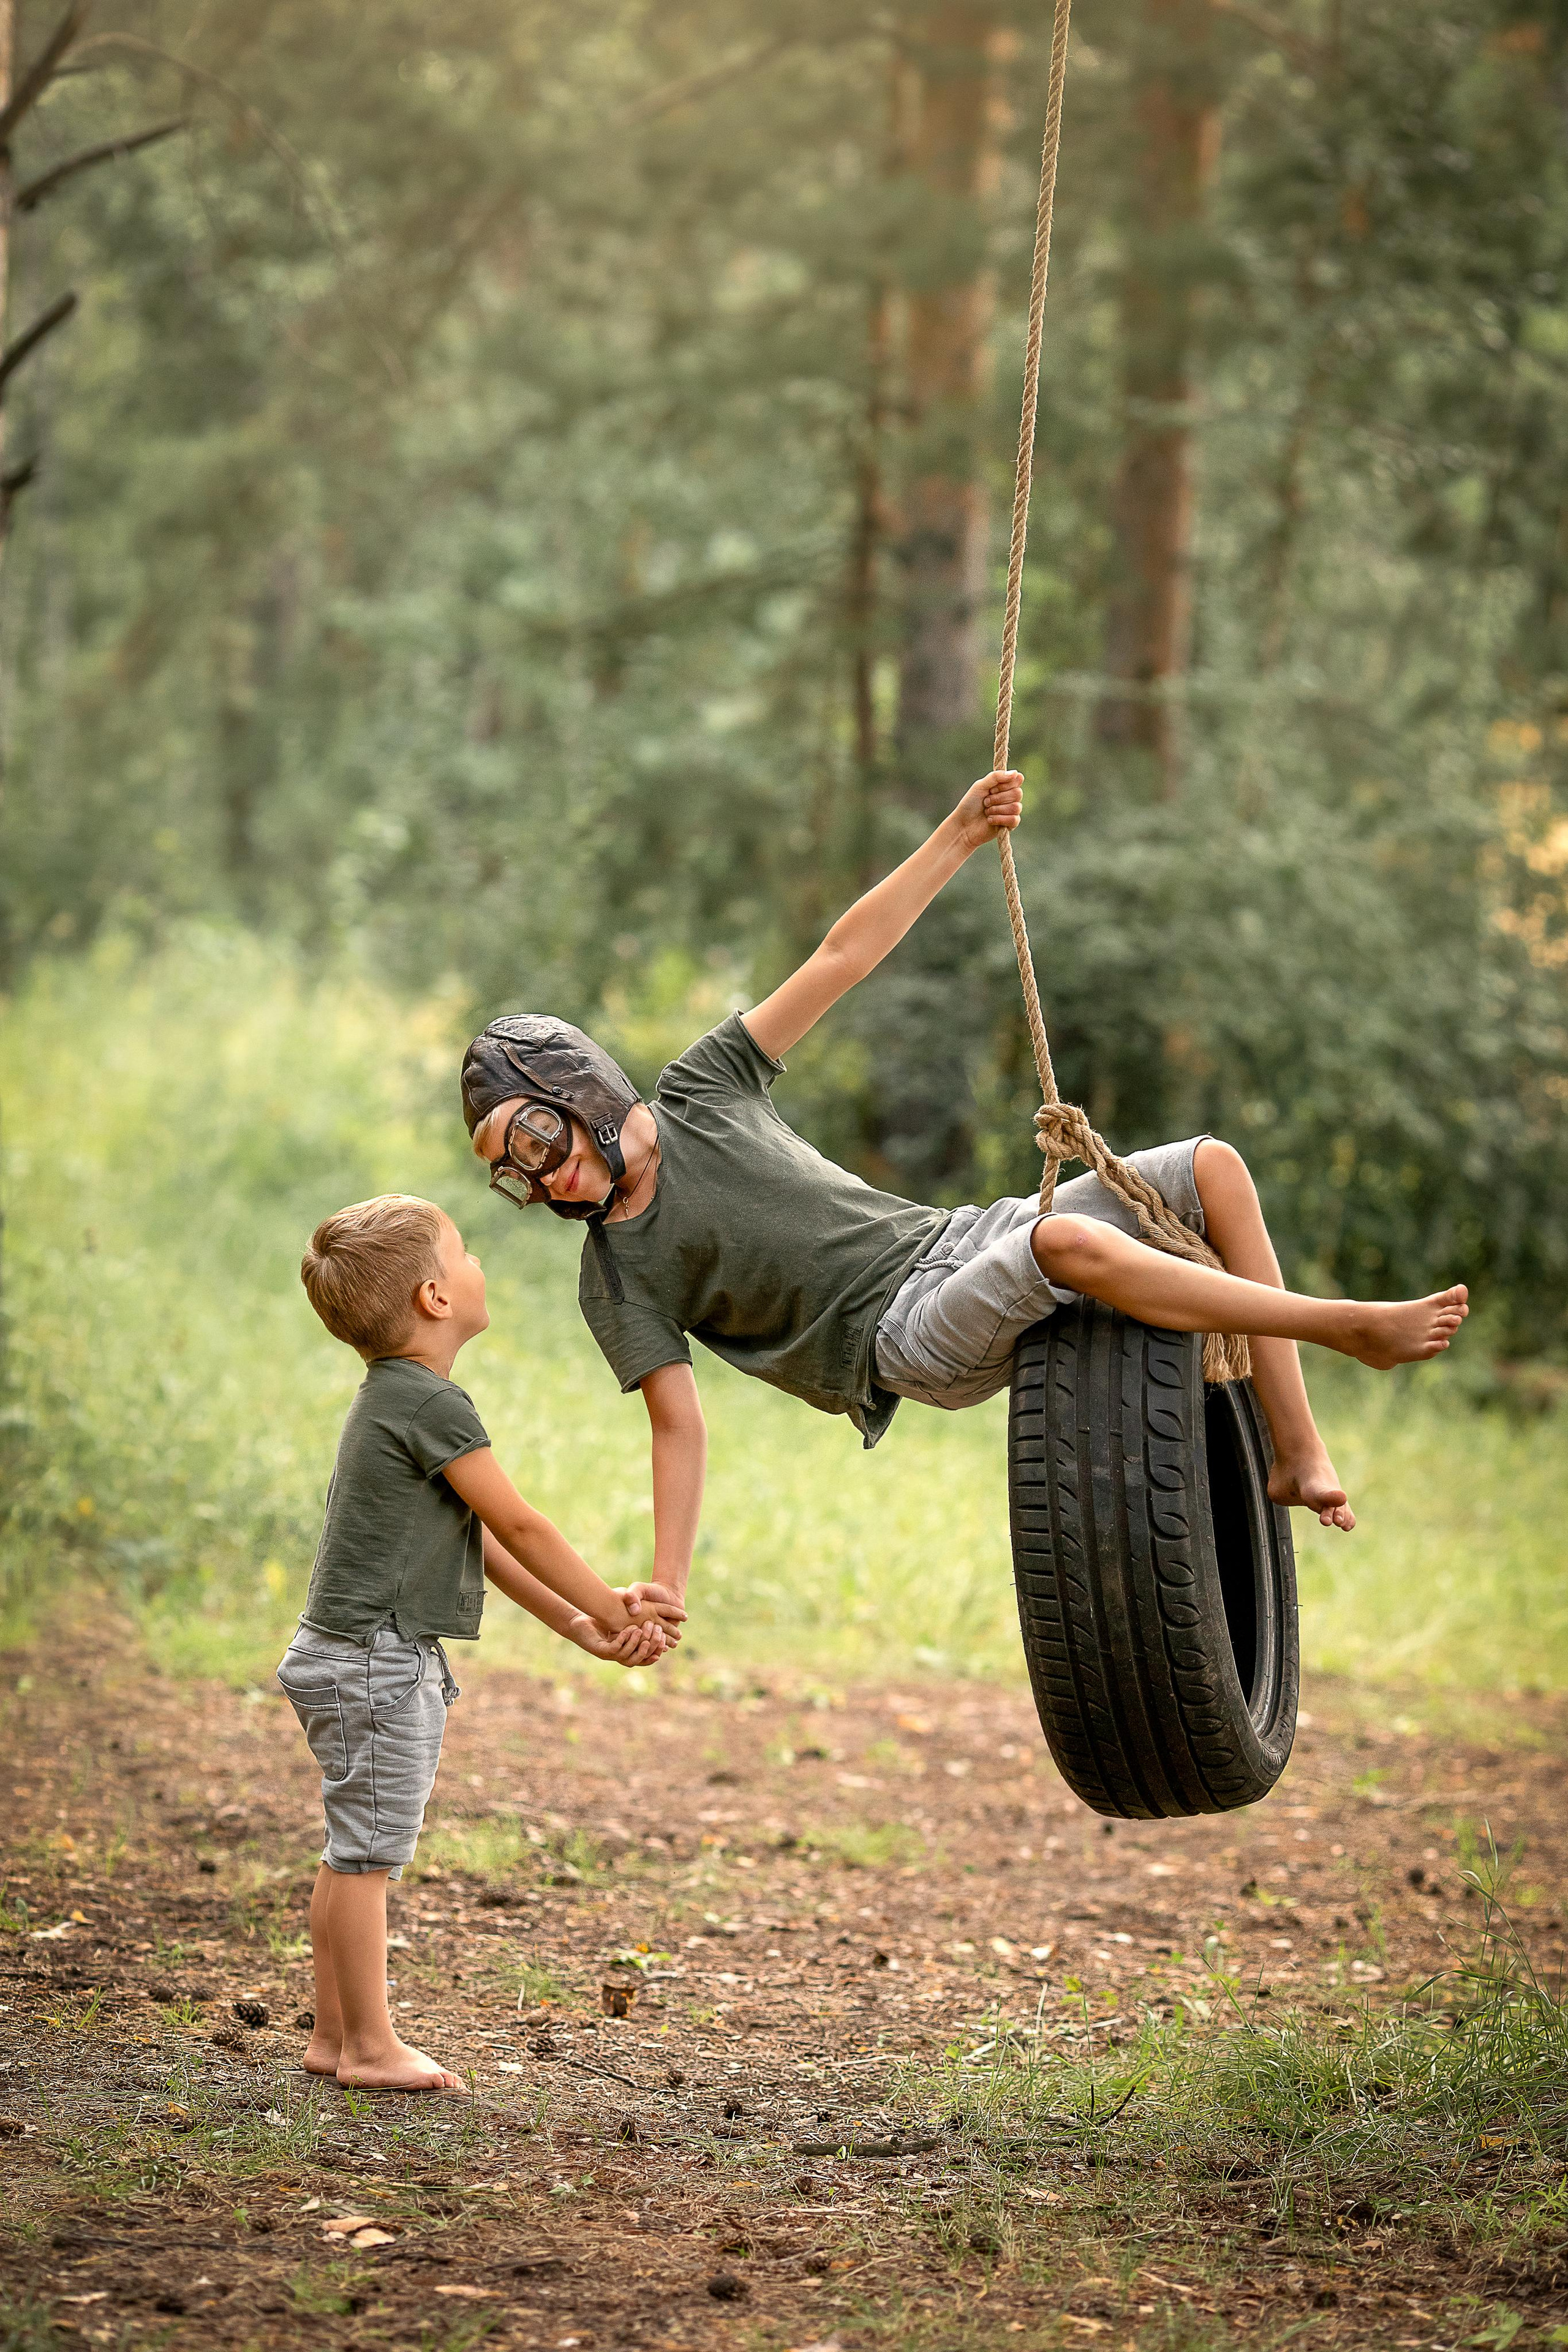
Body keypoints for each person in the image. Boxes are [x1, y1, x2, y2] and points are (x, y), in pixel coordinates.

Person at [461, 770, 1468, 1637]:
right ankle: (1347, 1329)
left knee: (1211, 1168)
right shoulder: (619, 1273)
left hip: (953, 1238)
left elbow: (840, 959)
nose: (542, 1178)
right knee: (1061, 1244)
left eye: (537, 1141)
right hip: (899, 1338)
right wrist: (670, 1580)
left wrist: (958, 836)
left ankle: (1295, 1451)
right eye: (517, 1175)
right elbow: (677, 1426)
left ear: (579, 1090)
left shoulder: (702, 1090)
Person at [287, 1193, 676, 2092]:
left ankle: (336, 2035)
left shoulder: (397, 1399)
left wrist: (582, 1624)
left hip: (354, 1652)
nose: (478, 1268)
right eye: (463, 1254)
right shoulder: (430, 1404)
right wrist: (620, 1614)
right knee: (366, 1856)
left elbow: (487, 1546)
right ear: (433, 1297)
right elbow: (523, 1526)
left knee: (352, 1849)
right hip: (376, 1658)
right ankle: (371, 2049)